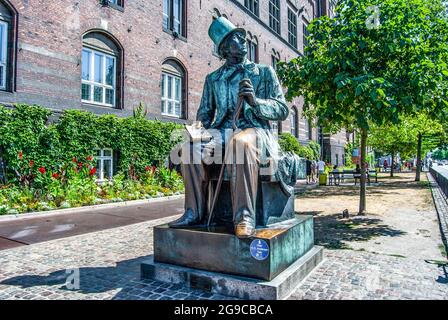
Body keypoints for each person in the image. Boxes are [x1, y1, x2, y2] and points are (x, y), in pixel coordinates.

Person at [168, 17, 300, 238]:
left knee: (240, 143)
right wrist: (199, 130)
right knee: (190, 150)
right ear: (225, 49)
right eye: (236, 38)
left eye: (241, 36)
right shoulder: (213, 79)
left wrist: (255, 102)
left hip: (255, 130)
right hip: (220, 133)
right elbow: (205, 113)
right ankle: (194, 212)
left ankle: (244, 217)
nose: (243, 39)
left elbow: (281, 109)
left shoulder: (264, 72)